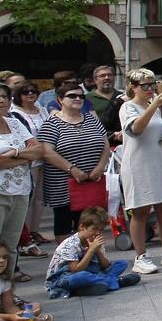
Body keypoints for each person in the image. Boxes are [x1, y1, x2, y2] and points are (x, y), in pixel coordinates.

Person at [118, 70, 162, 274]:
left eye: (151, 85)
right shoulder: (127, 107)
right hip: (137, 164)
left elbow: (155, 133)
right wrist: (154, 105)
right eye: (144, 85)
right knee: (141, 210)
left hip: (157, 160)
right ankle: (140, 256)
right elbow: (135, 130)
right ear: (133, 86)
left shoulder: (155, 108)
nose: (149, 89)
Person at [0, 79, 46, 285]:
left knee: (11, 245)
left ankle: (7, 292)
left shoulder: (15, 122)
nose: (2, 100)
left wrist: (16, 153)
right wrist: (24, 158)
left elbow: (39, 149)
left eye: (5, 96)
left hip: (20, 190)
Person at [37, 80, 111, 242]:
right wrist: (72, 170)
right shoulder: (52, 123)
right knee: (64, 221)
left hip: (91, 180)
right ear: (60, 100)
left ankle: (91, 254)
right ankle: (68, 258)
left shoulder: (91, 119)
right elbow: (47, 152)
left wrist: (100, 166)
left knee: (90, 220)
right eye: (72, 96)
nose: (78, 99)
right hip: (63, 183)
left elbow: (105, 144)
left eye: (81, 96)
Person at [43, 207, 138, 299]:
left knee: (122, 263)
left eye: (100, 230)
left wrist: (97, 250)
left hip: (90, 271)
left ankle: (93, 285)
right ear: (82, 227)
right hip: (63, 278)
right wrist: (91, 250)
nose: (97, 233)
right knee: (82, 276)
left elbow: (106, 265)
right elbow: (75, 270)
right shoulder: (70, 244)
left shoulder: (96, 239)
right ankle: (115, 281)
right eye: (94, 229)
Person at [0, 239, 52, 321]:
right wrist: (11, 317)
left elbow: (10, 307)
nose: (1, 261)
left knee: (34, 307)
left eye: (4, 257)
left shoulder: (4, 281)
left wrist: (21, 316)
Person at [10, 81, 49, 245]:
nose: (31, 94)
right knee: (28, 198)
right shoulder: (15, 113)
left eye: (33, 91)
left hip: (46, 157)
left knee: (40, 198)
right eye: (26, 92)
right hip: (30, 159)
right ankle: (25, 234)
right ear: (19, 96)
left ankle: (35, 230)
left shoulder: (42, 109)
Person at [87, 65, 123, 141]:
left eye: (110, 75)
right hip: (98, 141)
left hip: (122, 141)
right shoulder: (86, 99)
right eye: (102, 76)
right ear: (95, 80)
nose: (107, 78)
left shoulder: (123, 97)